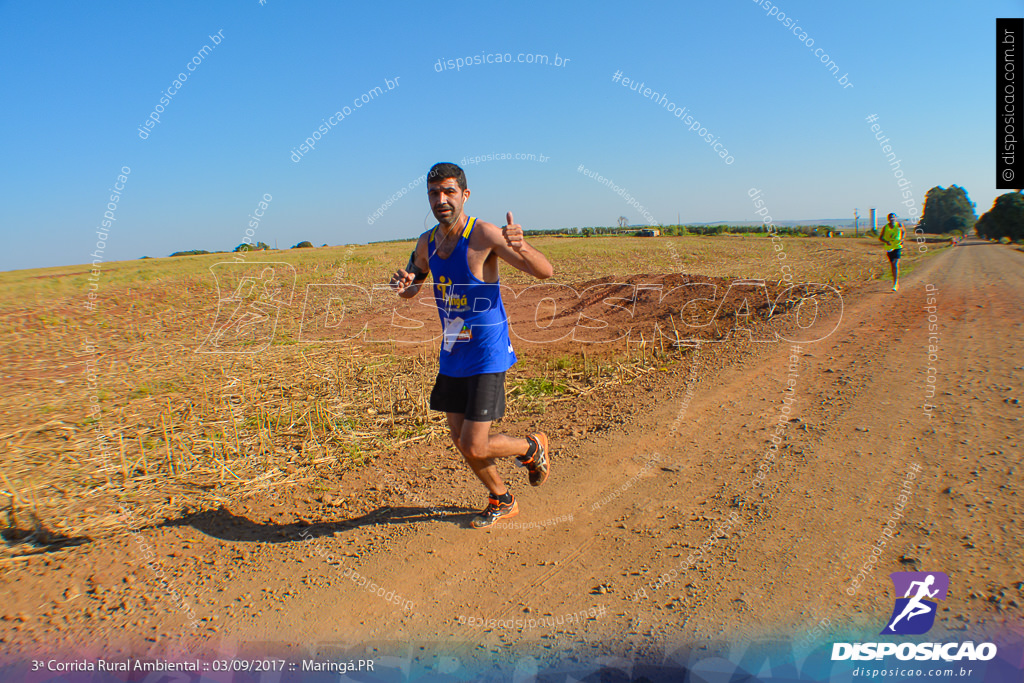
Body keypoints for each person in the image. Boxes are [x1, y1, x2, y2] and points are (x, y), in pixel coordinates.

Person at [389, 162, 554, 529]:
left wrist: (521, 244)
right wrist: (404, 285)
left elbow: (545, 272)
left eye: (449, 191)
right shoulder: (426, 242)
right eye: (434, 193)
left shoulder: (483, 234)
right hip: (453, 352)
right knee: (460, 439)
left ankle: (531, 446)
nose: (441, 199)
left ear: (465, 194)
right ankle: (502, 497)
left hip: (486, 351)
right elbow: (415, 281)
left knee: (476, 444)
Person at [879, 213, 903, 292]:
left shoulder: (899, 225)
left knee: (895, 264)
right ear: (888, 219)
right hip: (889, 248)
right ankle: (895, 281)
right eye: (890, 218)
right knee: (892, 265)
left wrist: (902, 239)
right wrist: (886, 241)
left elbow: (904, 232)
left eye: (893, 217)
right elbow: (880, 238)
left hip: (897, 247)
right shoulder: (885, 227)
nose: (892, 219)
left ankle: (895, 283)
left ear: (895, 218)